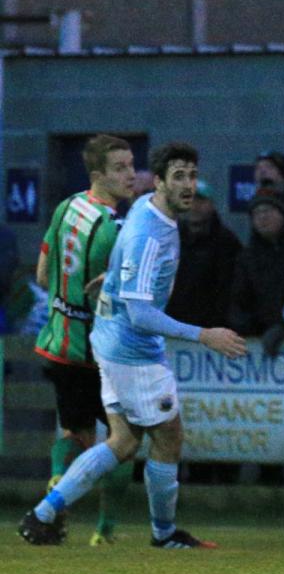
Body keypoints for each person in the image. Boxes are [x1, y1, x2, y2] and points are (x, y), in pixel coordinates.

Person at [19, 142, 247, 548]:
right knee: (168, 435)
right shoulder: (149, 235)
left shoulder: (145, 208)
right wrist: (204, 334)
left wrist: (111, 278)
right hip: (131, 347)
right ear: (158, 181)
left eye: (192, 176)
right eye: (178, 177)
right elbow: (141, 314)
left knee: (123, 441)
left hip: (109, 338)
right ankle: (163, 534)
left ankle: (42, 514)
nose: (188, 185)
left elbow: (125, 261)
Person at [33, 135, 137, 545]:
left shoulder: (66, 208)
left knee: (75, 433)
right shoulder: (115, 229)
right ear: (97, 175)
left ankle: (58, 478)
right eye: (120, 169)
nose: (131, 175)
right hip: (99, 353)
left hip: (59, 343)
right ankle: (104, 531)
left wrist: (67, 303)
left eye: (131, 165)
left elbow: (43, 274)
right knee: (125, 440)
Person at [166, 179, 242, 329]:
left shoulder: (227, 242)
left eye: (201, 201)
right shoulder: (169, 239)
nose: (194, 206)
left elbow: (230, 291)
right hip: (173, 326)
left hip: (211, 329)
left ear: (212, 205)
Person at [228, 189, 284, 356]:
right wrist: (247, 328)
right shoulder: (246, 258)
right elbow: (239, 299)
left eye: (268, 211)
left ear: (282, 214)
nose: (263, 217)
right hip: (257, 339)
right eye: (257, 213)